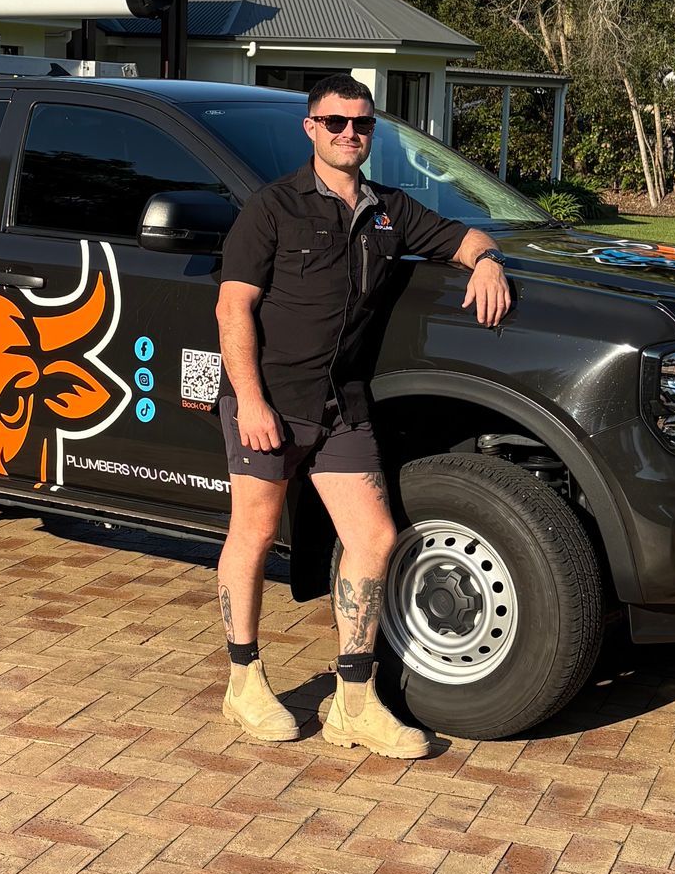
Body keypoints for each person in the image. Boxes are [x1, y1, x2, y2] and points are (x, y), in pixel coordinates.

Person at [212, 72, 512, 755]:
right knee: (254, 533)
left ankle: (352, 700)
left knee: (374, 538)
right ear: (311, 128)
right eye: (337, 122)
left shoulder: (388, 210)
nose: (351, 133)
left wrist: (489, 263)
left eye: (363, 124)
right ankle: (243, 681)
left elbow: (464, 239)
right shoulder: (272, 208)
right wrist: (252, 402)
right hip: (270, 402)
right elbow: (234, 308)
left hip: (340, 405)